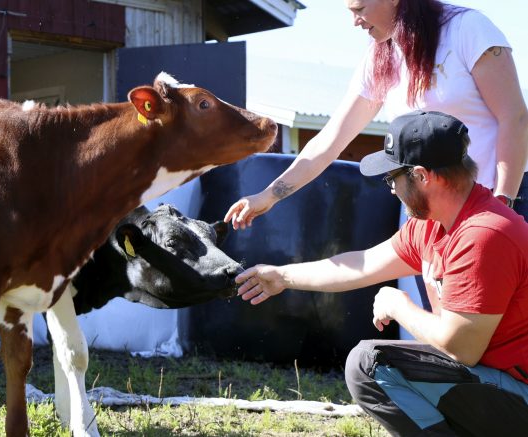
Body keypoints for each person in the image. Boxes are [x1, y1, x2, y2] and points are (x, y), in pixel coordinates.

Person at [235, 110, 528, 436]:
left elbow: (461, 348)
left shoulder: (484, 233)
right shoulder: (432, 224)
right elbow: (362, 264)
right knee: (373, 364)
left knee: (369, 364)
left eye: (392, 178)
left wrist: (398, 305)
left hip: (518, 393)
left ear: (422, 176)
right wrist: (283, 277)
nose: (390, 189)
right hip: (493, 381)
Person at [224, 0, 528, 229]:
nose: (354, 22)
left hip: (496, 203)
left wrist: (502, 205)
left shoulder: (467, 29)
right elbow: (330, 139)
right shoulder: (378, 56)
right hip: (431, 217)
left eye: (359, 8)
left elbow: (515, 117)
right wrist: (270, 195)